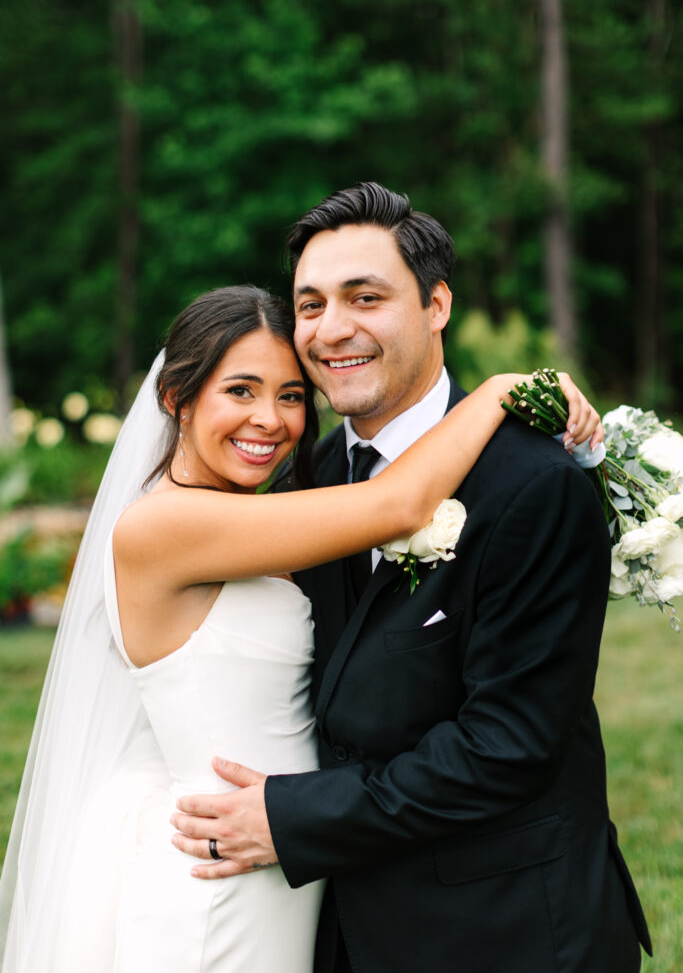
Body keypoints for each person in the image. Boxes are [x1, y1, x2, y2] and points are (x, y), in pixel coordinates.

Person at [0, 282, 594, 973]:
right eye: (240, 391)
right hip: (225, 870)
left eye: (289, 395)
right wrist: (497, 391)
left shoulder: (257, 511)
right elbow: (397, 503)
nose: (270, 421)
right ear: (176, 399)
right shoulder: (163, 524)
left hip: (291, 855)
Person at [171, 184, 652, 973]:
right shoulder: (310, 482)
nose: (333, 330)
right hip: (339, 928)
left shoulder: (533, 481)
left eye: (366, 298)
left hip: (505, 932)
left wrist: (291, 818)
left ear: (435, 305)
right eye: (312, 304)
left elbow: (508, 744)